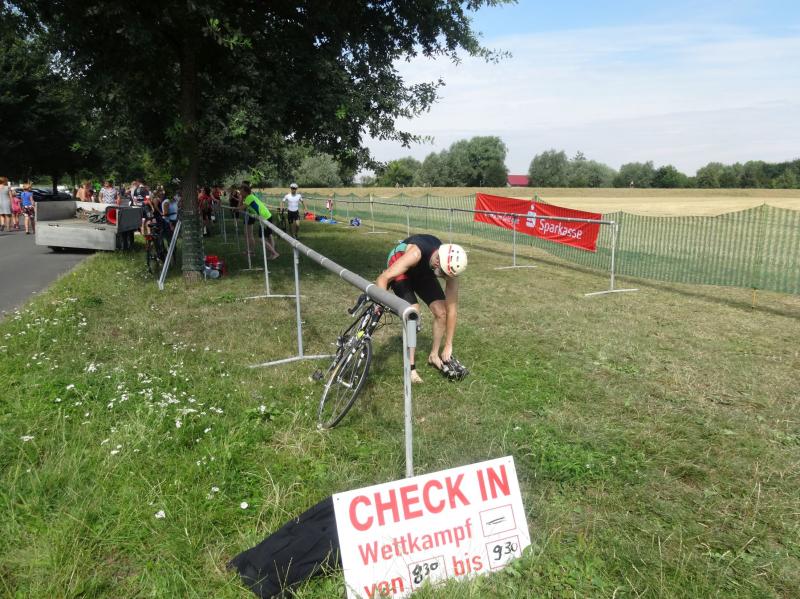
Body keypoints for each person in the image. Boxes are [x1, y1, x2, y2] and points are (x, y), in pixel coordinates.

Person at [376, 234, 468, 383]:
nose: (446, 278)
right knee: (413, 312)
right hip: (402, 264)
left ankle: (433, 356)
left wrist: (448, 345)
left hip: (422, 272)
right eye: (444, 275)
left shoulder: (449, 270)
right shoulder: (416, 253)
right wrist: (380, 301)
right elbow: (383, 278)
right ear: (438, 262)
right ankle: (410, 368)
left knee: (442, 312)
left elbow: (452, 310)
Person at [242, 183, 279, 260]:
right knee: (269, 235)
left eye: (241, 192)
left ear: (245, 192)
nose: (240, 193)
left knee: (261, 239)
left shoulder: (249, 197)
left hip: (264, 217)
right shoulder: (250, 197)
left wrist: (235, 208)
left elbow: (242, 207)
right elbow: (249, 208)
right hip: (267, 215)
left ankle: (274, 253)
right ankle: (273, 254)